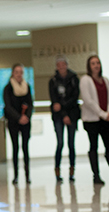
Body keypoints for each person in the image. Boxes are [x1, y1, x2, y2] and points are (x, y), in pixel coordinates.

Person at [49, 54, 81, 183]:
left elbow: (74, 97)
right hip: (58, 117)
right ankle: (57, 171)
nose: (62, 67)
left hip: (72, 115)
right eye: (59, 65)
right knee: (60, 143)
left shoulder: (74, 79)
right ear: (57, 67)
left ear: (67, 65)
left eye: (64, 64)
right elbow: (54, 101)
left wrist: (66, 112)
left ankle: (72, 171)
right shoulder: (53, 81)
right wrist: (63, 114)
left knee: (71, 144)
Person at [80, 55, 109, 185]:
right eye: (93, 63)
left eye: (98, 63)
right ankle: (96, 175)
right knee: (94, 147)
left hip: (105, 119)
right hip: (92, 120)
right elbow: (88, 101)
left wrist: (106, 113)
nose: (96, 65)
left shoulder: (105, 80)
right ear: (89, 66)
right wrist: (102, 114)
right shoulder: (85, 80)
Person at [3, 63, 33, 185]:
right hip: (13, 122)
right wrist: (18, 117)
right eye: (17, 72)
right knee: (15, 148)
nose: (19, 74)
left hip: (25, 122)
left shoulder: (27, 87)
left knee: (26, 148)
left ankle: (27, 176)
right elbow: (8, 106)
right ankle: (15, 176)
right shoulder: (8, 88)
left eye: (21, 72)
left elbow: (30, 104)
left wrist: (27, 117)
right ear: (13, 73)